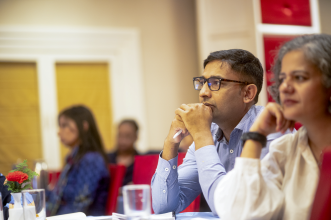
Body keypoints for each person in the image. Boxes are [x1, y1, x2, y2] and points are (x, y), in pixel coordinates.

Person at [151, 49, 293, 214]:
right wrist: (171, 142)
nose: (203, 92)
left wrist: (201, 136)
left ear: (247, 93)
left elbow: (231, 210)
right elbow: (164, 207)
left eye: (215, 82)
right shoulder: (209, 131)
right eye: (202, 82)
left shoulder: (270, 129)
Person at [214, 34, 331, 220]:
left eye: (299, 77)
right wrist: (255, 135)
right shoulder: (286, 149)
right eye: (282, 79)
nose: (285, 87)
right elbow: (238, 212)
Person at [46, 105, 110, 216]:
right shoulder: (74, 158)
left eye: (64, 125)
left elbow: (80, 206)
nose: (59, 132)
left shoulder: (91, 160)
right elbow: (59, 196)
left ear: (84, 126)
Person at [108, 119, 139, 185]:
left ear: (136, 137)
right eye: (120, 135)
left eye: (127, 136)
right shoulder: (106, 160)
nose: (123, 141)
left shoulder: (140, 163)